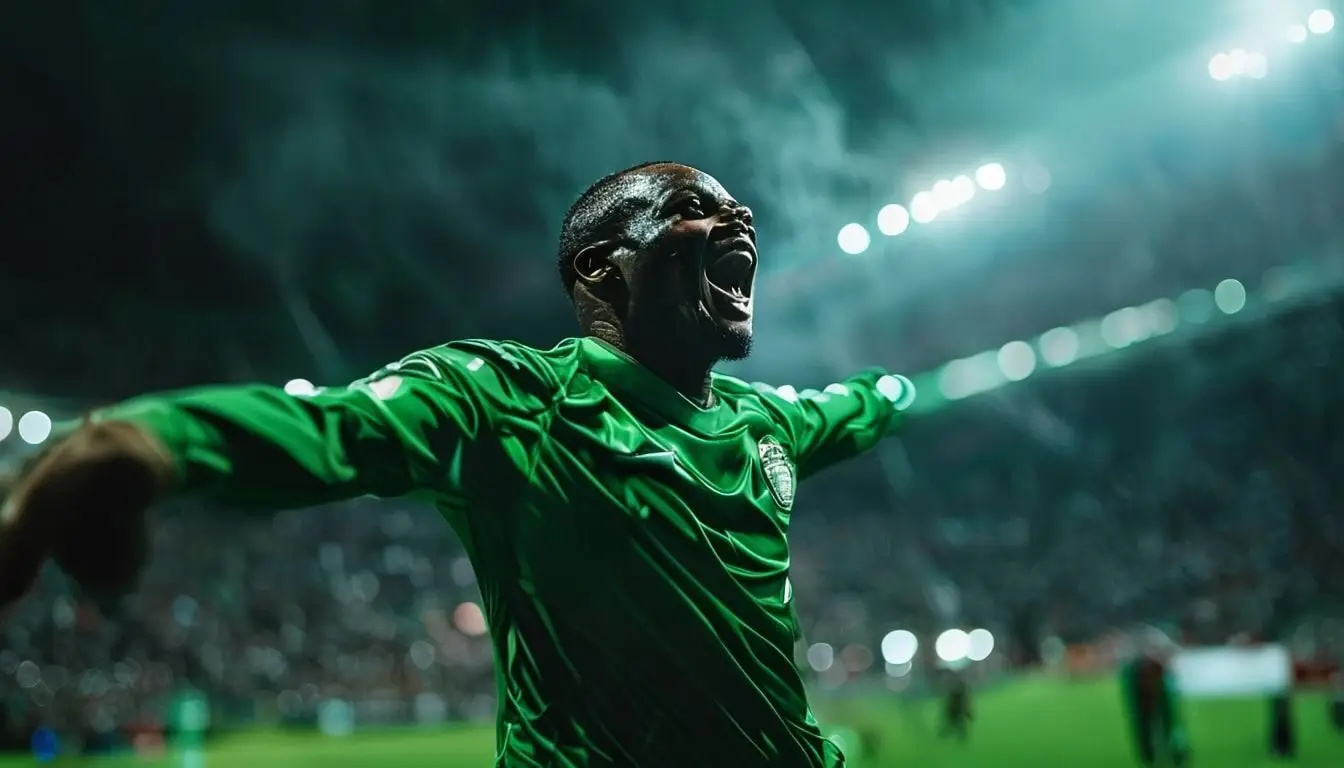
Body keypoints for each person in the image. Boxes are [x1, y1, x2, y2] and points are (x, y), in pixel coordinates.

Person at [0, 161, 915, 767]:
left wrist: (900, 389)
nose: (735, 215)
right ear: (603, 270)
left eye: (732, 205)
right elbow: (336, 427)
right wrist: (149, 446)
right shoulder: (511, 398)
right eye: (691, 209)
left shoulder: (766, 424)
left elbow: (861, 406)